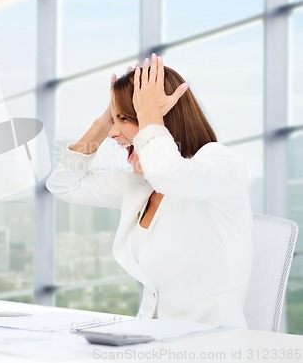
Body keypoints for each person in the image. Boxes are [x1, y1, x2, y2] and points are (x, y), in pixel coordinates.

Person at [46, 54, 252, 327]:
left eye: (124, 120)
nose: (113, 134)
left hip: (212, 344)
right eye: (114, 120)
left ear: (160, 118)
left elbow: (169, 172)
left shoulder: (221, 164)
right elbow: (63, 184)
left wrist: (149, 114)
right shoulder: (142, 188)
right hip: (154, 339)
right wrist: (103, 122)